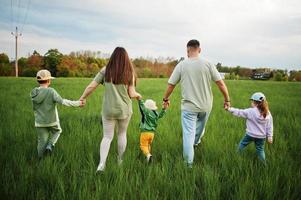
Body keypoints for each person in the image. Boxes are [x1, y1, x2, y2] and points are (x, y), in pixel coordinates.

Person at [162, 39, 230, 168]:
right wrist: (227, 100)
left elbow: (171, 85)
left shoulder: (182, 65)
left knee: (188, 134)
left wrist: (165, 99)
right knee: (199, 128)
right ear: (199, 49)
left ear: (188, 51)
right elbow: (220, 83)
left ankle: (188, 165)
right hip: (206, 106)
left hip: (189, 108)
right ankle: (196, 143)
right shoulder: (208, 64)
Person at [79, 47, 141, 172]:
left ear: (112, 57)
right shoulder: (130, 72)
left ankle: (101, 165)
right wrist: (138, 96)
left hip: (108, 111)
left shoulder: (105, 71)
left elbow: (92, 86)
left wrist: (82, 98)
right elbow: (132, 93)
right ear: (126, 59)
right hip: (124, 110)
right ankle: (120, 161)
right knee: (122, 134)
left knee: (107, 137)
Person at [31, 69, 84, 158]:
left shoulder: (34, 92)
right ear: (48, 80)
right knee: (58, 131)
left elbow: (35, 107)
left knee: (41, 142)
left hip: (39, 122)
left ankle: (40, 159)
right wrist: (78, 103)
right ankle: (50, 145)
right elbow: (63, 102)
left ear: (38, 80)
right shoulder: (51, 91)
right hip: (52, 121)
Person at [225, 92, 273, 162]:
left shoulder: (251, 111)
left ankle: (235, 155)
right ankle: (263, 163)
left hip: (250, 135)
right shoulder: (267, 113)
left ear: (255, 103)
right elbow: (270, 125)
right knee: (260, 150)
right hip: (261, 137)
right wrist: (270, 136)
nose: (251, 103)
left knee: (242, 144)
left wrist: (229, 109)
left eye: (252, 101)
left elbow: (239, 112)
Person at [137, 98, 168, 163]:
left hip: (145, 133)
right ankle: (148, 157)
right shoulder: (156, 113)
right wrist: (164, 109)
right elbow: (160, 115)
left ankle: (148, 155)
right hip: (152, 134)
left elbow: (142, 107)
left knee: (143, 146)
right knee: (148, 145)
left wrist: (140, 100)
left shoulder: (147, 112)